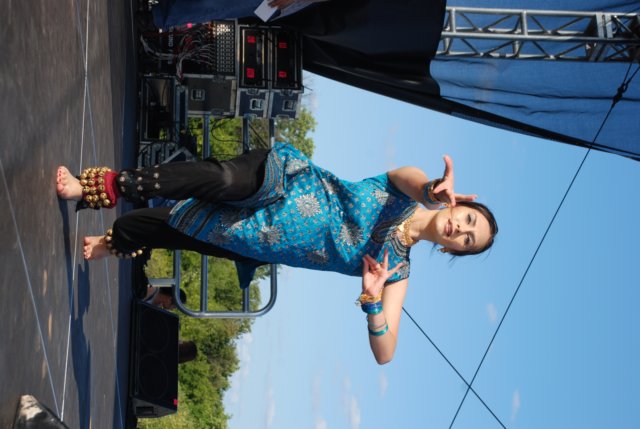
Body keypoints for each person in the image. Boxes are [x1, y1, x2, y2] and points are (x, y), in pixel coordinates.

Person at [56, 141, 497, 364]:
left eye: (467, 241)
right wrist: (431, 191)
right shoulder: (406, 193)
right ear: (459, 205)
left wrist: (372, 300)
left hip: (253, 237)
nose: (461, 230)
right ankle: (103, 187)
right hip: (280, 181)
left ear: (453, 251)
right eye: (468, 220)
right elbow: (414, 181)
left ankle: (116, 241)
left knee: (166, 226)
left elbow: (386, 353)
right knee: (220, 179)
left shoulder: (395, 270)